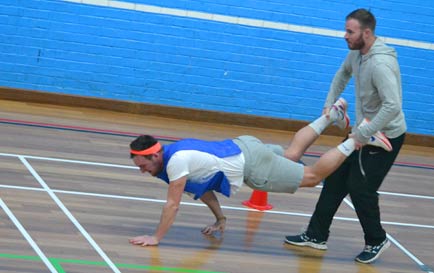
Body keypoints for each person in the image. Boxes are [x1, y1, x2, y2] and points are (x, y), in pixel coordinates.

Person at [127, 100, 391, 247]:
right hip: (245, 145)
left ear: (155, 154)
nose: (143, 172)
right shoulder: (175, 152)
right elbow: (203, 189)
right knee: (290, 156)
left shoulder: (175, 164)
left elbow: (172, 205)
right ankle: (331, 116)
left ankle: (358, 137)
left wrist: (156, 238)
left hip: (253, 167)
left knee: (311, 178)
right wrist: (221, 219)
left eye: (143, 166)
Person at [284, 8, 407, 264]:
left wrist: (363, 133)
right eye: (346, 30)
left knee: (360, 188)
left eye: (350, 31)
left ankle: (377, 240)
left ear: (367, 32)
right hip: (364, 130)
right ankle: (316, 235)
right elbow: (342, 75)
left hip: (385, 136)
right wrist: (329, 105)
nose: (345, 35)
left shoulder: (381, 64)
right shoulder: (356, 54)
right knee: (336, 178)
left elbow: (392, 106)